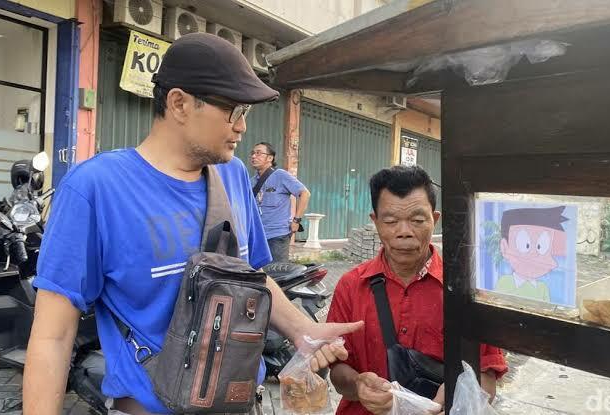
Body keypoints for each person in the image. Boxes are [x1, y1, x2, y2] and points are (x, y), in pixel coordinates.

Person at [22, 33, 361, 415]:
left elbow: (248, 275)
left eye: (245, 114)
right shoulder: (95, 189)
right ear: (179, 103)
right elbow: (54, 335)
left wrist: (304, 331)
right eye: (233, 111)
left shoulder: (232, 176)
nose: (242, 127)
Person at [327, 165, 508, 415]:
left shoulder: (466, 293)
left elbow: (488, 375)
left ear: (434, 220)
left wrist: (457, 396)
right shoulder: (351, 285)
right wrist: (358, 386)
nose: (404, 232)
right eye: (390, 221)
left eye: (417, 220)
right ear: (375, 221)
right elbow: (337, 371)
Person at [249, 142, 310, 262]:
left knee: (278, 275)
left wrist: (296, 220)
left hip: (277, 236)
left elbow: (304, 194)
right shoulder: (251, 181)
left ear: (270, 158)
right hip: (257, 237)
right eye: (252, 153)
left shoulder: (281, 175)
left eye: (258, 153)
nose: (253, 156)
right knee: (259, 274)